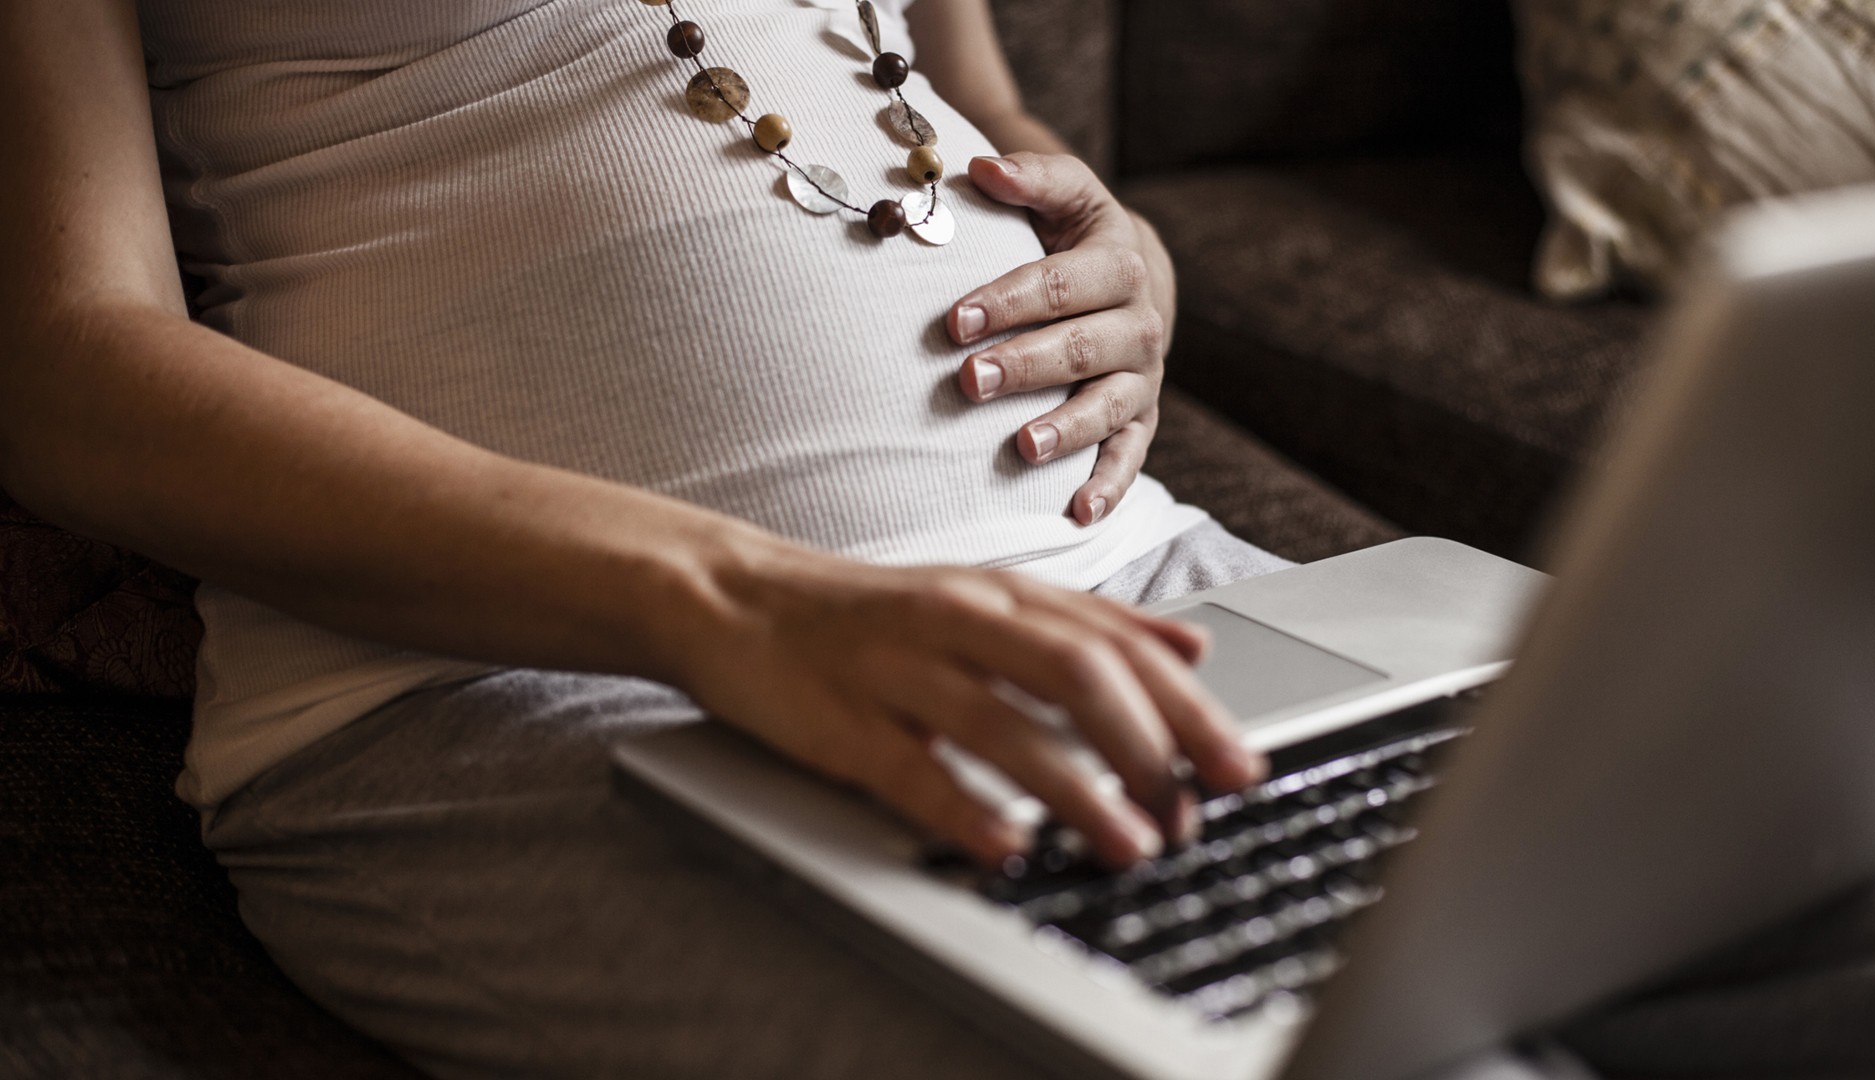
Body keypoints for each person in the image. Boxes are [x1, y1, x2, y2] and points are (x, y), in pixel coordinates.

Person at [2, 0, 1280, 1075]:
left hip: (1128, 568)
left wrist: (1131, 267)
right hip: (523, 680)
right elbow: (68, 371)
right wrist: (736, 598)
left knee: (1407, 935)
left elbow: (977, 99)